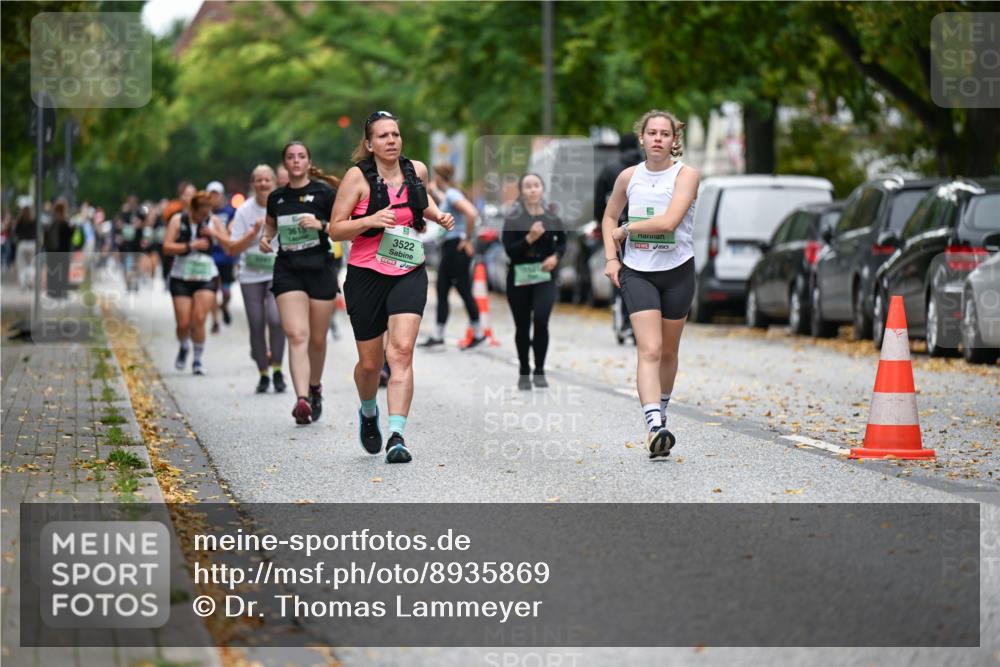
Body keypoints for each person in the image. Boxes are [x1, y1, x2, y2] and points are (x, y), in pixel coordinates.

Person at [330, 110, 455, 463]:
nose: (391, 141)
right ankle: (368, 412)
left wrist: (437, 215)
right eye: (383, 136)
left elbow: (422, 200)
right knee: (370, 365)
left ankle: (397, 435)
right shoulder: (357, 178)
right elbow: (335, 229)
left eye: (395, 135)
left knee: (400, 352)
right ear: (369, 144)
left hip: (408, 269)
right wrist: (369, 219)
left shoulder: (417, 170)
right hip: (366, 274)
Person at [602, 110, 699, 459]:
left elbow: (671, 221)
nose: (658, 138)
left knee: (669, 352)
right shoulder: (629, 177)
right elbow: (609, 215)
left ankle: (662, 409)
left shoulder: (686, 176)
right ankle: (654, 424)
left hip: (677, 270)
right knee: (650, 349)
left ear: (675, 140)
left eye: (665, 133)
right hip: (638, 270)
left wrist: (628, 230)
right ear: (641, 138)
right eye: (652, 133)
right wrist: (612, 258)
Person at [258, 142, 339, 424]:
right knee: (297, 335)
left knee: (317, 340)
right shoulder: (277, 197)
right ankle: (301, 399)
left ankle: (315, 388)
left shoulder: (324, 193)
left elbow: (344, 227)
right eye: (290, 157)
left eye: (301, 156)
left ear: (308, 162)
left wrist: (322, 226)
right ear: (284, 164)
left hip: (320, 268)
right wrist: (265, 239)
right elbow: (270, 226)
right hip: (288, 268)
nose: (295, 161)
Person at [215, 165, 287, 394]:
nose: (263, 183)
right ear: (252, 184)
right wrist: (253, 233)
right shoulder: (245, 210)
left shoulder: (283, 205)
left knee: (276, 320)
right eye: (258, 180)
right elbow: (233, 249)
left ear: (274, 182)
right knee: (256, 324)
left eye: (267, 179)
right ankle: (263, 373)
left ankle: (277, 369)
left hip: (277, 271)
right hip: (251, 275)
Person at [502, 174, 566, 390]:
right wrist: (529, 238)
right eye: (527, 186)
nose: (532, 190)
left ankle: (539, 369)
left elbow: (562, 243)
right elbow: (509, 251)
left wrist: (555, 258)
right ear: (522, 191)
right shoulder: (513, 218)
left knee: (541, 319)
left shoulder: (551, 217)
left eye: (536, 185)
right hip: (519, 276)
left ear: (542, 189)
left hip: (544, 276)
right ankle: (523, 370)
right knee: (522, 326)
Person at [420, 163, 483, 348]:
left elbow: (471, 213)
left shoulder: (453, 194)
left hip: (456, 247)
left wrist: (468, 238)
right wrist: (435, 194)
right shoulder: (450, 194)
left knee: (463, 289)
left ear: (439, 176)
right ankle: (438, 335)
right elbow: (448, 207)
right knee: (442, 288)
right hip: (449, 247)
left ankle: (478, 333)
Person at [163, 191, 221, 375]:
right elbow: (166, 247)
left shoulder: (213, 221)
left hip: (206, 277)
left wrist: (215, 234)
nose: (206, 214)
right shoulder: (178, 220)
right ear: (193, 209)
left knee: (199, 319)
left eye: (208, 210)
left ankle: (197, 360)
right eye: (202, 211)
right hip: (181, 276)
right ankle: (184, 346)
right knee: (183, 324)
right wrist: (190, 245)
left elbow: (230, 243)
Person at [596, 133, 643, 343]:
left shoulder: (610, 171)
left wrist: (602, 225)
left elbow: (600, 207)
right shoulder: (646, 169)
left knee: (620, 277)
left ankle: (623, 321)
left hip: (617, 231)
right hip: (645, 229)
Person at [44, 198, 73, 298]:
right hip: (62, 251)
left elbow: (46, 238)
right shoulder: (64, 223)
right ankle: (61, 292)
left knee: (53, 272)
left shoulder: (51, 223)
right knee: (62, 271)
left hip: (52, 251)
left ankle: (53, 292)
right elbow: (69, 235)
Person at [14, 206, 37, 289]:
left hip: (22, 244)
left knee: (21, 265)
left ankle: (23, 283)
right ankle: (30, 280)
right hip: (32, 244)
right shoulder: (34, 220)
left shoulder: (20, 221)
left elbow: (15, 232)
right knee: (31, 264)